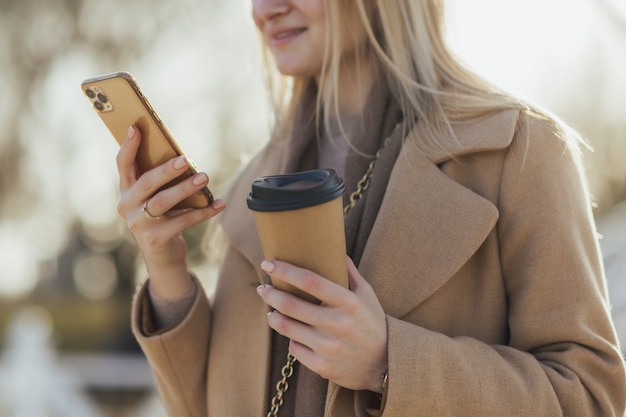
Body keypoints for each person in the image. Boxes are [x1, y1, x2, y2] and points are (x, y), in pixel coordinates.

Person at [115, 0, 626, 416]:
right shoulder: (251, 189)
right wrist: (167, 268)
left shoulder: (517, 150)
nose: (264, 9)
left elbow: (592, 396)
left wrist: (390, 362)